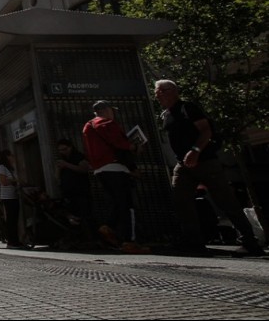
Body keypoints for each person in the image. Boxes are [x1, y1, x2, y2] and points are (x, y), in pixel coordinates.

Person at [153, 79, 265, 257]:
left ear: (172, 91)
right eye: (156, 92)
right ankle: (194, 242)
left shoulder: (188, 108)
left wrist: (195, 151)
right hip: (183, 164)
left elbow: (206, 131)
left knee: (226, 201)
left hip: (205, 161)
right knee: (181, 201)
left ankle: (250, 243)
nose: (157, 95)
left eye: (160, 91)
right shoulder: (166, 114)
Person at [82, 101, 149, 254]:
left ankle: (108, 226)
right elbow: (119, 144)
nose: (113, 113)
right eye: (112, 110)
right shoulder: (107, 123)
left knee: (118, 202)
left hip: (100, 169)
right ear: (106, 110)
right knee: (127, 204)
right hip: (115, 166)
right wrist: (133, 147)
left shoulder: (88, 126)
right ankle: (129, 241)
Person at [55, 138, 92, 226]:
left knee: (85, 215)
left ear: (70, 147)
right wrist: (58, 169)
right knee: (73, 217)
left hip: (81, 191)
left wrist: (67, 165)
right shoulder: (62, 159)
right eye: (60, 150)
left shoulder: (78, 156)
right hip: (68, 193)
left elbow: (84, 169)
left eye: (64, 149)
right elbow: (57, 177)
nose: (63, 152)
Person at [0, 149, 23, 249]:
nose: (13, 158)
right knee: (11, 219)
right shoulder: (2, 167)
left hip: (14, 195)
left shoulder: (10, 169)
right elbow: (3, 181)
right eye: (11, 156)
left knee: (15, 219)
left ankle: (16, 240)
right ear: (7, 157)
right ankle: (11, 241)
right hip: (7, 197)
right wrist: (15, 180)